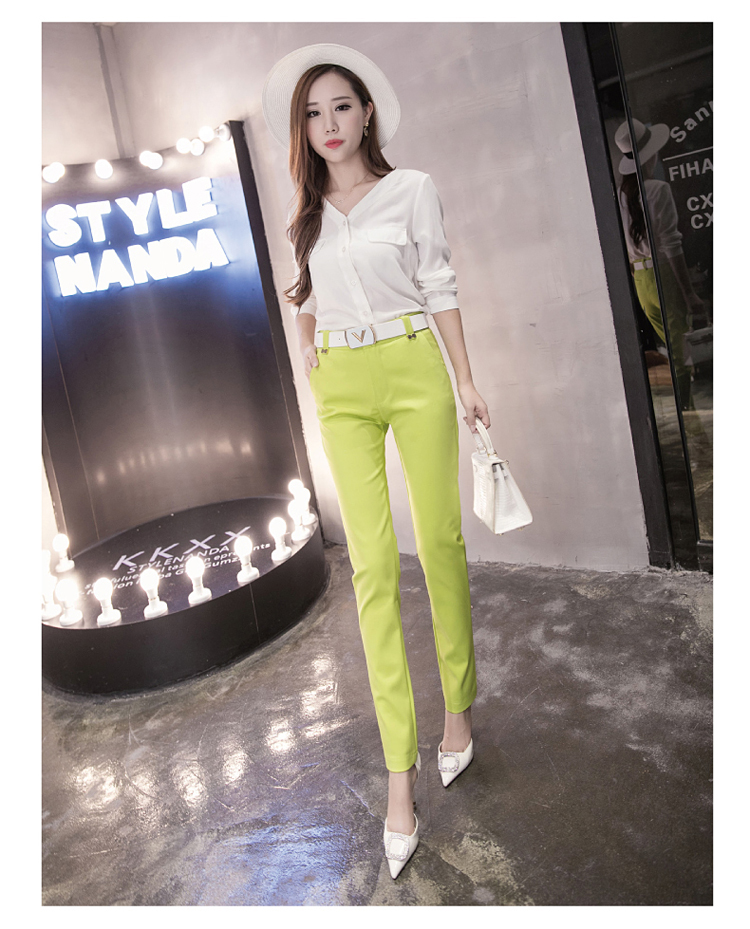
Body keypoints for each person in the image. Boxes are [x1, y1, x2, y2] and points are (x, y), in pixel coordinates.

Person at [262, 43, 490, 878]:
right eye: (313, 113)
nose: (329, 124)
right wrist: (310, 350)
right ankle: (400, 773)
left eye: (341, 107)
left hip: (413, 367)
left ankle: (458, 710)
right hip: (345, 386)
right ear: (303, 128)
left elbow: (440, 284)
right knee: (371, 572)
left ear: (367, 114)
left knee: (439, 544)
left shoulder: (410, 190)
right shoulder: (307, 213)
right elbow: (307, 296)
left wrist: (465, 379)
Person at [614, 118, 705, 410]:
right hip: (661, 274)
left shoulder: (622, 195)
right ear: (650, 155)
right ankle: (687, 409)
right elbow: (671, 245)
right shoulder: (657, 189)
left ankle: (685, 407)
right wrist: (689, 293)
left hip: (641, 281)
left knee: (671, 345)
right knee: (679, 348)